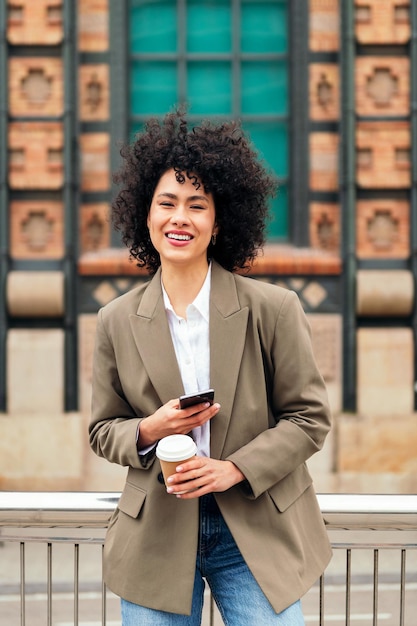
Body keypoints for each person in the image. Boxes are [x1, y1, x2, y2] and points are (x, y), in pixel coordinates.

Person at [89, 109, 332, 626]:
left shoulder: (275, 308)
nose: (180, 217)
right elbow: (102, 430)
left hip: (256, 528)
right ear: (145, 216)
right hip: (155, 533)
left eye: (197, 205)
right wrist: (151, 429)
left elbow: (308, 419)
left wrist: (233, 469)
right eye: (167, 203)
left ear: (218, 222)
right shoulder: (114, 321)